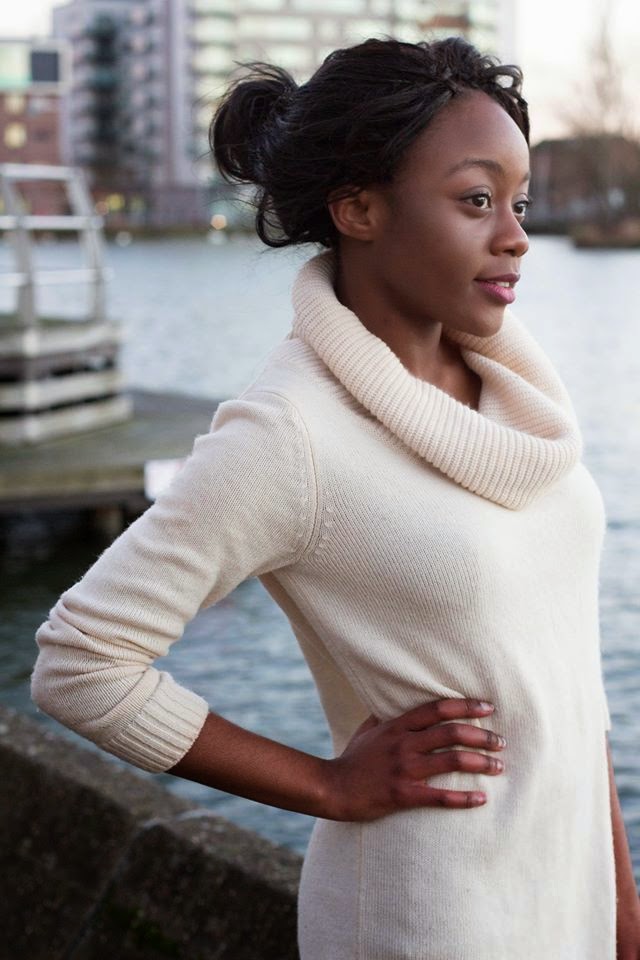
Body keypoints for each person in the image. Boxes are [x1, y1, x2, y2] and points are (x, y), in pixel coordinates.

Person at [31, 36, 639, 959]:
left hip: (568, 897)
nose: (516, 236)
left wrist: (619, 902)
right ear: (358, 208)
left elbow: (565, 680)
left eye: (519, 202)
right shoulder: (290, 434)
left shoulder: (523, 399)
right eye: (477, 200)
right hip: (429, 918)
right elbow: (81, 663)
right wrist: (327, 785)